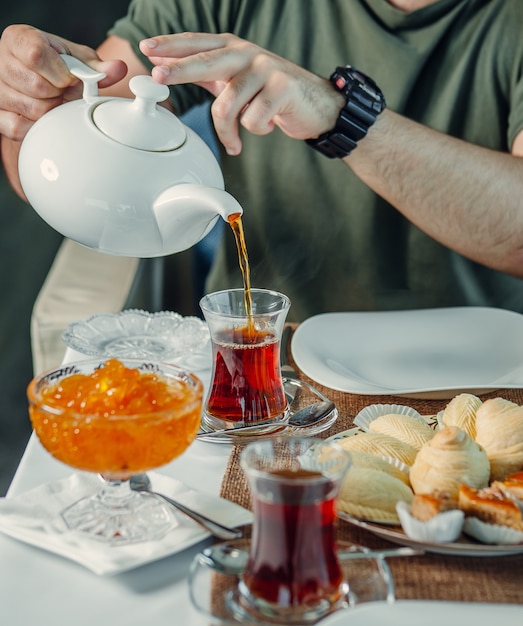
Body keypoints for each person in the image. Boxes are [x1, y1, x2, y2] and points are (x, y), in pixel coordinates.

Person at [1, 0, 523, 322]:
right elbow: (59, 145)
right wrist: (31, 95)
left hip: (475, 375)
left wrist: (341, 117)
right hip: (271, 359)